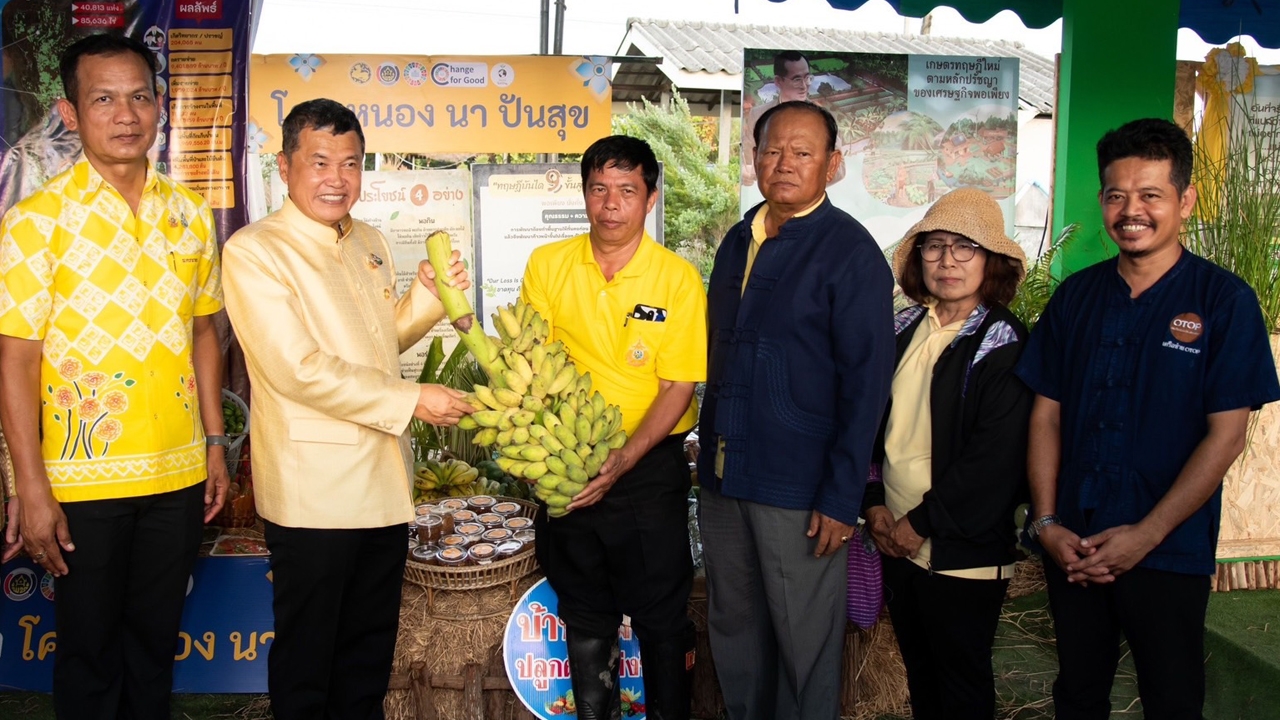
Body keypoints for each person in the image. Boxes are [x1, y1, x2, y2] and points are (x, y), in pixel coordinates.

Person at [1015, 118, 1280, 719]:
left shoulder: (1224, 301)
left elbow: (1228, 434)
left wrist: (1147, 534)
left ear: (1184, 200)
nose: (1131, 210)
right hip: (1074, 545)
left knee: (1171, 695)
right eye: (1116, 195)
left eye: (1150, 195)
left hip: (1167, 548)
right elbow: (1045, 417)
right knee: (1078, 692)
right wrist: (1049, 522)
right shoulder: (1076, 296)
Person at [220, 98, 475, 720]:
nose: (337, 178)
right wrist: (414, 399)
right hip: (315, 492)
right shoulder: (256, 251)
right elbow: (298, 368)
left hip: (383, 484)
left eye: (352, 163)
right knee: (311, 662)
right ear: (284, 166)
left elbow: (378, 344)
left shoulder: (369, 240)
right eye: (320, 162)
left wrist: (427, 297)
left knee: (366, 658)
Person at [0, 33, 228, 719]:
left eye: (138, 96)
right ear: (70, 114)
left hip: (178, 476)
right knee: (90, 656)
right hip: (82, 479)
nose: (125, 114)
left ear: (160, 107)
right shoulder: (35, 222)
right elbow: (15, 360)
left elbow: (203, 334)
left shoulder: (189, 214)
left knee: (155, 648)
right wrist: (31, 487)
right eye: (103, 98)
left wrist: (215, 444)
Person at [698, 100, 895, 720]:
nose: (784, 164)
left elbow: (867, 384)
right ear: (754, 158)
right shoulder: (739, 238)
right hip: (725, 474)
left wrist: (841, 496)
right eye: (772, 150)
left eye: (802, 152)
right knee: (734, 624)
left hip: (799, 484)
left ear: (832, 165)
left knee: (801, 635)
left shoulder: (850, 251)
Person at [520, 135, 707, 720]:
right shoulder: (549, 265)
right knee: (584, 610)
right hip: (568, 464)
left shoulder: (676, 279)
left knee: (660, 614)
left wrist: (624, 458)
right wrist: (551, 456)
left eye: (627, 190)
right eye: (599, 188)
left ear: (649, 198)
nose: (611, 204)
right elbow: (530, 366)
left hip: (647, 469)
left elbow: (678, 387)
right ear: (584, 193)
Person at [863, 187, 1031, 720]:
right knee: (922, 676)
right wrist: (875, 508)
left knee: (961, 682)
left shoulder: (1003, 342)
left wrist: (920, 523)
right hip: (895, 538)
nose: (947, 261)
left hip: (962, 552)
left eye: (965, 248)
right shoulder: (903, 328)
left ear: (991, 261)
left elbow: (995, 459)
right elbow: (870, 429)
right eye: (935, 247)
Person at [741, 51, 843, 187]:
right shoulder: (758, 114)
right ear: (778, 81)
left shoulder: (822, 118)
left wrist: (803, 183)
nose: (804, 86)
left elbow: (839, 170)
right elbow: (749, 158)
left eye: (807, 78)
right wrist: (746, 173)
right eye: (796, 80)